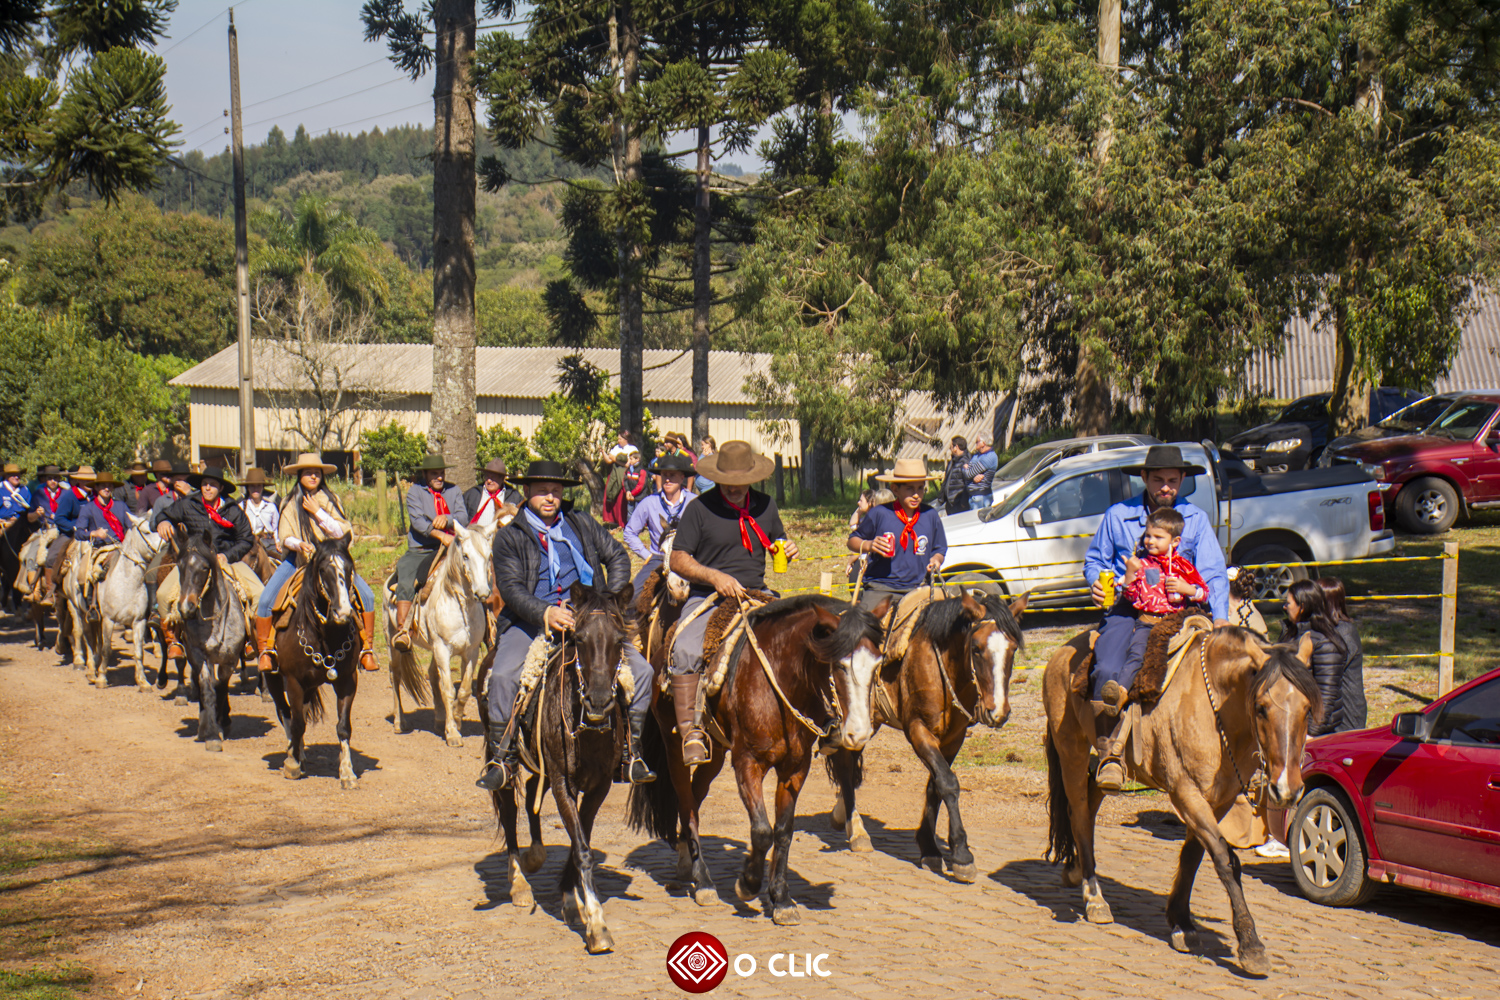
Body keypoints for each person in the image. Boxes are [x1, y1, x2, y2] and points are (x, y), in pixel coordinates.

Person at [478, 460, 657, 790]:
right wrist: (545, 612)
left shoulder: (581, 522)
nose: (550, 497)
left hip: (590, 617)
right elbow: (511, 588)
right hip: (530, 620)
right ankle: (503, 758)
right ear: (526, 491)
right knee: (502, 676)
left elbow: (617, 556)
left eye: (556, 491)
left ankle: (631, 753)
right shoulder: (510, 536)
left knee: (643, 672)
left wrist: (607, 604)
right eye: (542, 491)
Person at [1083, 445, 1229, 792]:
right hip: (1127, 607)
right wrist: (1096, 584)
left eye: (1173, 481)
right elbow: (1096, 561)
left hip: (1178, 610)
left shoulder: (1196, 519)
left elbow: (1213, 572)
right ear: (1144, 478)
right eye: (1158, 480)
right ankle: (1109, 755)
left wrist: (1222, 618)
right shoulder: (1118, 515)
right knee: (1107, 667)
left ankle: (1217, 750)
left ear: (1182, 480)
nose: (1166, 487)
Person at [667, 440, 798, 765]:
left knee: (799, 638)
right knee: (685, 649)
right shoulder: (699, 508)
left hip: (757, 593)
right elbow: (678, 559)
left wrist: (787, 547)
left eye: (742, 482)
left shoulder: (766, 505)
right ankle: (692, 731)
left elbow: (776, 540)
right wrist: (714, 577)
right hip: (708, 596)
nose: (735, 488)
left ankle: (813, 716)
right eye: (729, 482)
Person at [254, 453, 378, 673]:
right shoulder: (289, 502)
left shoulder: (330, 500)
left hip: (331, 560)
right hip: (298, 560)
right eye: (308, 472)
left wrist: (317, 512)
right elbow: (285, 536)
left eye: (317, 473)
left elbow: (342, 532)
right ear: (299, 475)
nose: (313, 476)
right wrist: (299, 544)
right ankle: (267, 650)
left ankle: (367, 649)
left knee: (367, 596)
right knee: (266, 600)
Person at [152, 467, 266, 661]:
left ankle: (251, 639)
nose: (207, 488)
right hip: (194, 561)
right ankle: (173, 641)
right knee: (163, 595)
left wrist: (227, 555)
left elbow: (246, 539)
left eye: (212, 485)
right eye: (205, 484)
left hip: (225, 560)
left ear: (220, 488)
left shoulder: (232, 509)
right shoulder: (189, 504)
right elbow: (164, 514)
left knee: (258, 593)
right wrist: (162, 522)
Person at [391, 453, 469, 653]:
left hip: (452, 547)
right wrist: (440, 535)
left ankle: (487, 627)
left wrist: (448, 519)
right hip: (422, 548)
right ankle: (403, 630)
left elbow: (463, 517)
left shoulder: (454, 490)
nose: (439, 477)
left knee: (476, 572)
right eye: (434, 473)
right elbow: (417, 522)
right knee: (406, 575)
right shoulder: (415, 492)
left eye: (441, 473)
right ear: (425, 474)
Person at [846, 459, 947, 611]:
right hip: (881, 587)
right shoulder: (880, 513)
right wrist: (869, 545)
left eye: (920, 488)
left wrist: (936, 559)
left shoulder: (930, 515)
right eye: (909, 489)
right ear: (895, 489)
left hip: (919, 587)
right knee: (866, 623)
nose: (916, 495)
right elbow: (852, 540)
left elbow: (940, 549)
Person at [1280, 578, 1348, 736]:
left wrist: (1311, 733)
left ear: (1302, 607)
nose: (1284, 607)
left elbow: (1326, 696)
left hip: (1314, 732)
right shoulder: (1291, 633)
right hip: (1291, 724)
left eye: (1288, 603)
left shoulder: (1325, 643)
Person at [623, 452, 697, 592]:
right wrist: (647, 555)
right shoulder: (649, 502)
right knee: (635, 594)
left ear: (682, 477)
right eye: (664, 475)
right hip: (658, 559)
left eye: (672, 475)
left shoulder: (694, 503)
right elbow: (629, 532)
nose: (667, 480)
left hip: (689, 559)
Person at [74, 471, 131, 621]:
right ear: (96, 488)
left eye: (109, 486)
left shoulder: (121, 506)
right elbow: (78, 533)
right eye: (103, 486)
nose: (107, 488)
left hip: (122, 546)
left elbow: (131, 526)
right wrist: (94, 533)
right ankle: (93, 606)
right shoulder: (88, 508)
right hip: (101, 548)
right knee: (87, 573)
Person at [38, 466, 95, 609]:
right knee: (52, 556)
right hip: (71, 534)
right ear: (79, 481)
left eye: (92, 481)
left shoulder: (95, 496)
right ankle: (52, 592)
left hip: (94, 533)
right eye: (86, 480)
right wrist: (74, 527)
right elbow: (59, 518)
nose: (89, 484)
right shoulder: (70, 496)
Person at [1316, 577, 1365, 731]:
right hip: (1332, 714)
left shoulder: (1344, 633)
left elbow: (1327, 674)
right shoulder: (1327, 630)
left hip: (1346, 717)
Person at [464, 458, 523, 530]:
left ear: (502, 478)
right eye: (487, 476)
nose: (489, 481)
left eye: (493, 477)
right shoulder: (472, 494)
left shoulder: (514, 496)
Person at [241, 468, 281, 561]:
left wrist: (278, 541)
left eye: (258, 486)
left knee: (281, 564)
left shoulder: (271, 507)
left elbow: (276, 528)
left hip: (268, 543)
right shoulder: (241, 507)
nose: (256, 489)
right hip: (248, 543)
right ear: (248, 488)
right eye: (252, 486)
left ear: (263, 487)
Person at [966, 437, 999, 510]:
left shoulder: (989, 457)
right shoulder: (977, 455)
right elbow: (970, 472)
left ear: (983, 443)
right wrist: (972, 477)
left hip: (981, 496)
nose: (975, 443)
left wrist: (965, 469)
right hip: (974, 496)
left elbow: (968, 474)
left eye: (977, 441)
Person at [942, 437, 972, 515]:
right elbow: (947, 481)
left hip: (959, 504)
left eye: (951, 447)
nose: (950, 449)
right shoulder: (953, 461)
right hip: (951, 503)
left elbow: (968, 483)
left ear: (956, 447)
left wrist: (963, 502)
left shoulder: (965, 462)